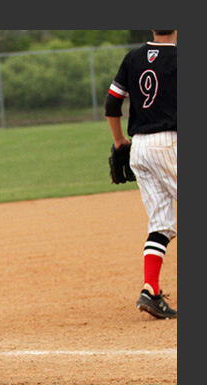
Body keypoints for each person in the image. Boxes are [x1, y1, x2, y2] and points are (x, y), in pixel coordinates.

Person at [105, 30, 177, 319]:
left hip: (141, 148)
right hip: (171, 143)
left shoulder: (133, 58)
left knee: (161, 221)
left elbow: (112, 103)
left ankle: (150, 290)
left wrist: (120, 140)